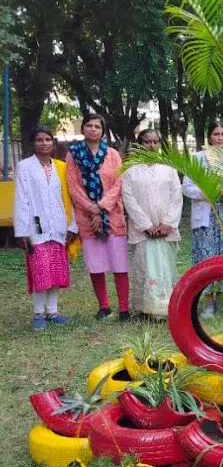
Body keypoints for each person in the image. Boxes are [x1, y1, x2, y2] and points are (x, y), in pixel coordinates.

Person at [66, 114, 131, 321]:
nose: (93, 129)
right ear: (83, 129)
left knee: (119, 264)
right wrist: (91, 209)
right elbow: (73, 185)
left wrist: (101, 207)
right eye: (89, 125)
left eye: (97, 126)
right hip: (87, 217)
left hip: (112, 216)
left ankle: (123, 309)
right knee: (95, 264)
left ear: (103, 131)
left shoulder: (112, 154)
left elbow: (118, 183)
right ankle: (104, 307)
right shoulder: (73, 154)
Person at [14, 127, 79, 330]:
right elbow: (21, 199)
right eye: (39, 140)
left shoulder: (61, 167)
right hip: (35, 228)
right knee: (40, 271)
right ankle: (38, 313)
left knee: (56, 273)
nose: (44, 143)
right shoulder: (25, 167)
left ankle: (53, 312)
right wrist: (23, 232)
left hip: (59, 227)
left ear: (53, 143)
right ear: (33, 143)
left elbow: (71, 198)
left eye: (48, 139)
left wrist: (72, 226)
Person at [122, 129, 182, 320]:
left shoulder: (169, 169)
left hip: (166, 230)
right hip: (143, 231)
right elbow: (128, 199)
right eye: (147, 142)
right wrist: (146, 225)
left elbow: (177, 197)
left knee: (166, 267)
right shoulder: (130, 171)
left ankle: (167, 308)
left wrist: (167, 224)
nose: (152, 146)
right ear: (139, 144)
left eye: (155, 142)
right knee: (144, 267)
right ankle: (145, 310)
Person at [182, 119, 223, 318]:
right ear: (209, 137)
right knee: (206, 259)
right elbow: (187, 188)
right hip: (206, 218)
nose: (220, 138)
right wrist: (211, 193)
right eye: (216, 134)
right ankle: (208, 303)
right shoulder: (197, 158)